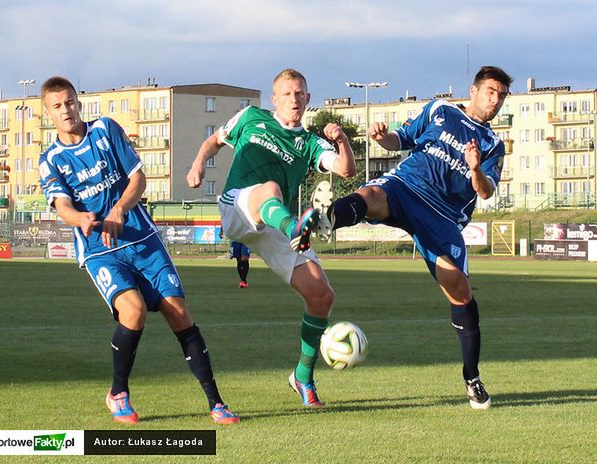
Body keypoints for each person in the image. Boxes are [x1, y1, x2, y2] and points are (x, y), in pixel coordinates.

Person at [38, 76, 239, 425]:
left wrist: (119, 209)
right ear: (48, 113)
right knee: (133, 311)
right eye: (57, 106)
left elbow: (138, 179)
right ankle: (118, 393)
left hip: (143, 239)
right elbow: (61, 205)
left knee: (178, 311)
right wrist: (80, 219)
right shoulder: (51, 159)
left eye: (70, 102)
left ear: (78, 103)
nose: (66, 110)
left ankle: (216, 403)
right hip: (101, 250)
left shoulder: (105, 130)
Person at [313, 66, 513, 410]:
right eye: (490, 92)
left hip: (443, 217)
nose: (495, 101)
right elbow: (399, 141)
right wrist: (381, 138)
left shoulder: (493, 144)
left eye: (501, 96)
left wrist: (476, 168)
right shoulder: (440, 110)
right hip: (407, 187)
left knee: (461, 292)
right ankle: (328, 218)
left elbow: (486, 192)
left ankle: (472, 378)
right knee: (373, 194)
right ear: (474, 90)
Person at [187, 68, 356, 407]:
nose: (294, 99)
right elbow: (214, 141)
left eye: (300, 94)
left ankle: (303, 377)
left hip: (276, 223)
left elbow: (345, 170)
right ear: (274, 98)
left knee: (322, 296)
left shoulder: (308, 142)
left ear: (307, 98)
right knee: (270, 189)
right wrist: (198, 164)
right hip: (239, 207)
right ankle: (296, 228)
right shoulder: (250, 117)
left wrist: (342, 140)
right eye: (287, 94)